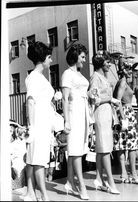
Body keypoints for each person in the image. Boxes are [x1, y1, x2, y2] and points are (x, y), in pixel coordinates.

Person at [24, 41, 54, 201]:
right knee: (39, 160)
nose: (50, 60)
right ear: (43, 59)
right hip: (38, 124)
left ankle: (30, 192)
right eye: (49, 57)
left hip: (43, 121)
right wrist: (32, 127)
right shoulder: (34, 77)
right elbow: (30, 101)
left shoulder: (40, 77)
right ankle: (44, 194)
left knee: (32, 158)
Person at [88, 50, 120, 194]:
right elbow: (93, 99)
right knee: (105, 148)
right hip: (100, 113)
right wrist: (110, 99)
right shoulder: (95, 77)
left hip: (106, 113)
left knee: (103, 148)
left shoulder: (102, 77)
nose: (109, 65)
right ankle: (110, 182)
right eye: (107, 62)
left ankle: (99, 179)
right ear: (101, 63)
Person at [61, 43, 90, 200]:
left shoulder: (79, 75)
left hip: (83, 112)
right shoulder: (67, 74)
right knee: (76, 150)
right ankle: (81, 185)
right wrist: (66, 120)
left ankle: (69, 182)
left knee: (77, 149)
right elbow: (64, 99)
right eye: (82, 57)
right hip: (73, 114)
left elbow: (83, 92)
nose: (84, 60)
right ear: (75, 56)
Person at [113, 57, 138, 184]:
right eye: (128, 69)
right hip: (125, 114)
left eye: (131, 69)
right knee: (129, 145)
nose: (131, 71)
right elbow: (117, 101)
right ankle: (130, 173)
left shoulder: (124, 82)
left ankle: (126, 173)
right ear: (122, 70)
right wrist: (123, 117)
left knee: (128, 144)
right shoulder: (122, 83)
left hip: (127, 113)